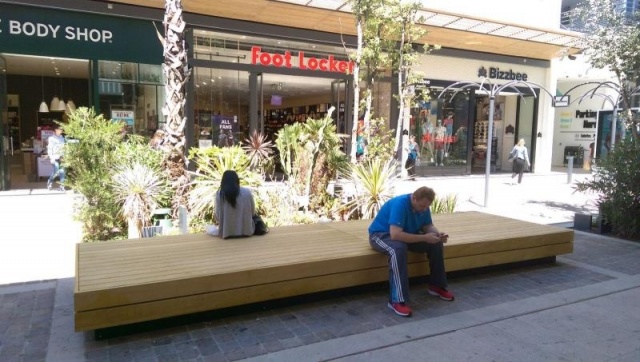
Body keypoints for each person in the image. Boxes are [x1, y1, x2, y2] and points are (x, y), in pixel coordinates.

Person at [368, 186, 454, 317]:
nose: (424, 209)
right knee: (398, 249)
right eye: (422, 206)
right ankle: (396, 300)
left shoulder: (423, 204)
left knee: (436, 245)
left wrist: (437, 235)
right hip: (381, 235)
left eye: (427, 207)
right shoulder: (400, 204)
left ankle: (437, 286)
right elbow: (395, 235)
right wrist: (425, 237)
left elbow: (427, 226)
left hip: (407, 233)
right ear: (414, 198)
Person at [215, 170, 256, 239]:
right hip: (246, 232)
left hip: (227, 233)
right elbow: (253, 212)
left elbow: (217, 216)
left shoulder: (220, 194)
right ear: (237, 180)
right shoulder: (247, 192)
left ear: (223, 181)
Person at [47, 124, 66, 191]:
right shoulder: (51, 138)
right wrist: (51, 157)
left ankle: (62, 185)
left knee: (62, 171)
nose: (61, 131)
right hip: (54, 157)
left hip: (62, 157)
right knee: (56, 170)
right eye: (60, 129)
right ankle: (50, 182)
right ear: (56, 130)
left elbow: (64, 147)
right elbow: (50, 148)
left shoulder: (62, 138)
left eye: (61, 129)